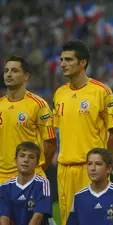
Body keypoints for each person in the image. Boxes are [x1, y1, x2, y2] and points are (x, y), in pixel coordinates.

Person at [53, 39, 113, 225]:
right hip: (65, 170)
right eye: (61, 60)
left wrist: (106, 165)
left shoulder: (101, 91)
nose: (62, 64)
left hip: (90, 168)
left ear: (82, 63)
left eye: (68, 59)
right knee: (68, 220)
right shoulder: (59, 94)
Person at [0, 55, 57, 184]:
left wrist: (38, 167)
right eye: (6, 70)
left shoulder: (38, 105)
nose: (9, 74)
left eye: (14, 71)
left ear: (26, 76)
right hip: (2, 178)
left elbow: (51, 143)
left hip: (30, 176)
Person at [66, 148, 113, 225]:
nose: (92, 168)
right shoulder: (78, 197)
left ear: (109, 169)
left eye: (98, 164)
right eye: (89, 164)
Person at [0, 142, 52, 225]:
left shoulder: (43, 183)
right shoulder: (4, 187)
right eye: (22, 156)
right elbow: (4, 218)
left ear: (37, 163)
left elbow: (38, 217)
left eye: (31, 157)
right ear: (15, 160)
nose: (26, 160)